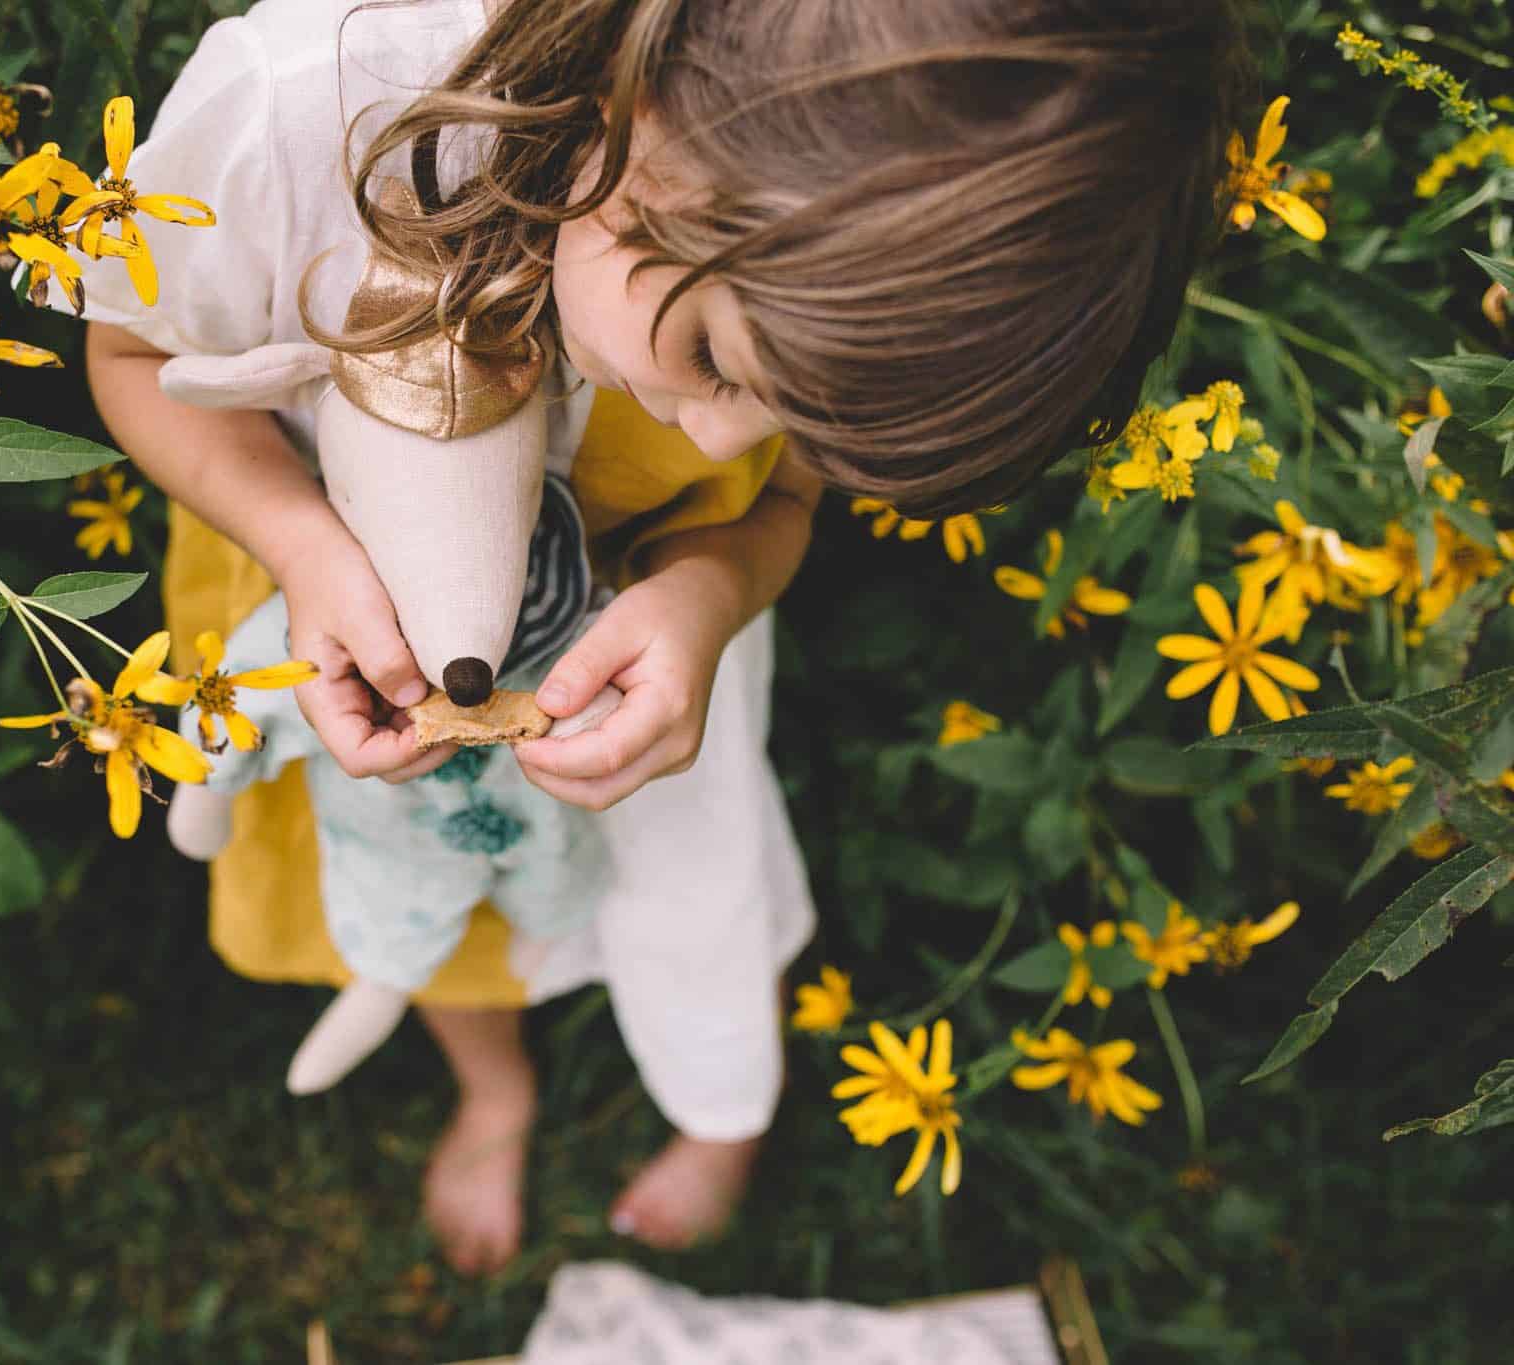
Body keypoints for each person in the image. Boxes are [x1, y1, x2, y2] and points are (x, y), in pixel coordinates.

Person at [62, 0, 1243, 1275]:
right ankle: (493, 1081)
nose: (725, 443)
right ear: (639, 131)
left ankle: (720, 1103)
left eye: (797, 422)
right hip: (339, 606)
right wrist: (300, 546)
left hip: (659, 654)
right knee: (413, 858)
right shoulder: (301, 110)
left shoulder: (842, 240)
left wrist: (715, 588)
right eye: (713, 362)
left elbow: (776, 499)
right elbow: (131, 355)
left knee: (690, 884)